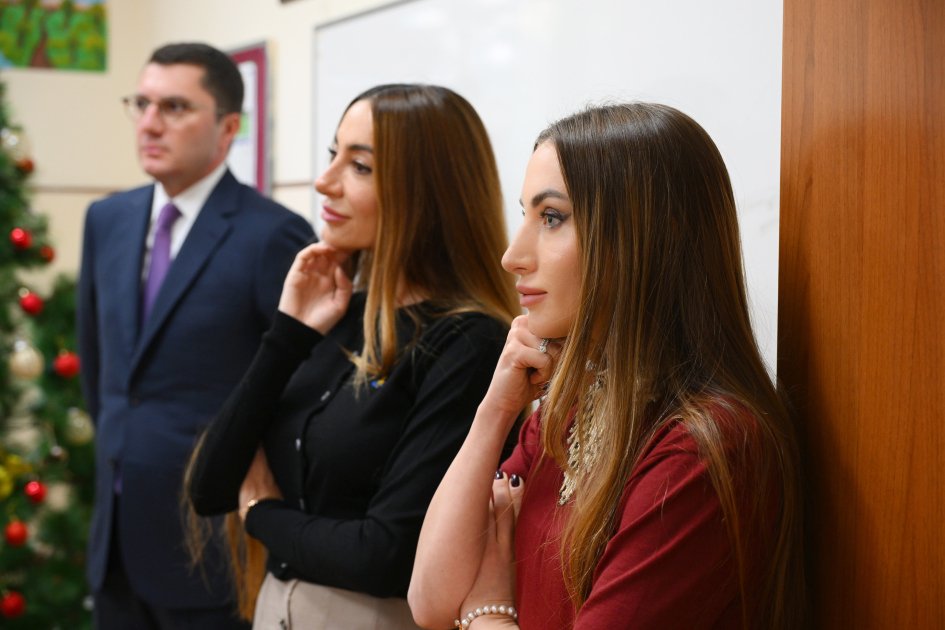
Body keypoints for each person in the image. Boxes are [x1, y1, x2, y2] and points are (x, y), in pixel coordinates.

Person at [409, 103, 806, 629]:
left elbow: (463, 605)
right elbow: (431, 601)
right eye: (525, 214)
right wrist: (494, 412)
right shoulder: (570, 409)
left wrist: (487, 613)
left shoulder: (706, 447)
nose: (512, 255)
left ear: (645, 237)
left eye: (551, 218)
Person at [186, 83, 520, 628]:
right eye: (332, 154)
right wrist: (287, 333)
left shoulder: (469, 343)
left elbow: (385, 556)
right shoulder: (339, 313)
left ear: (426, 194)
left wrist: (263, 514)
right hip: (277, 610)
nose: (325, 181)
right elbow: (209, 487)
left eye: (360, 166)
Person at [77, 42, 314, 629]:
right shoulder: (107, 219)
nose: (150, 123)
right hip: (115, 542)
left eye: (175, 107)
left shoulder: (273, 235)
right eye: (142, 104)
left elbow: (297, 391)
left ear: (228, 127)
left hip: (211, 548)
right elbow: (100, 366)